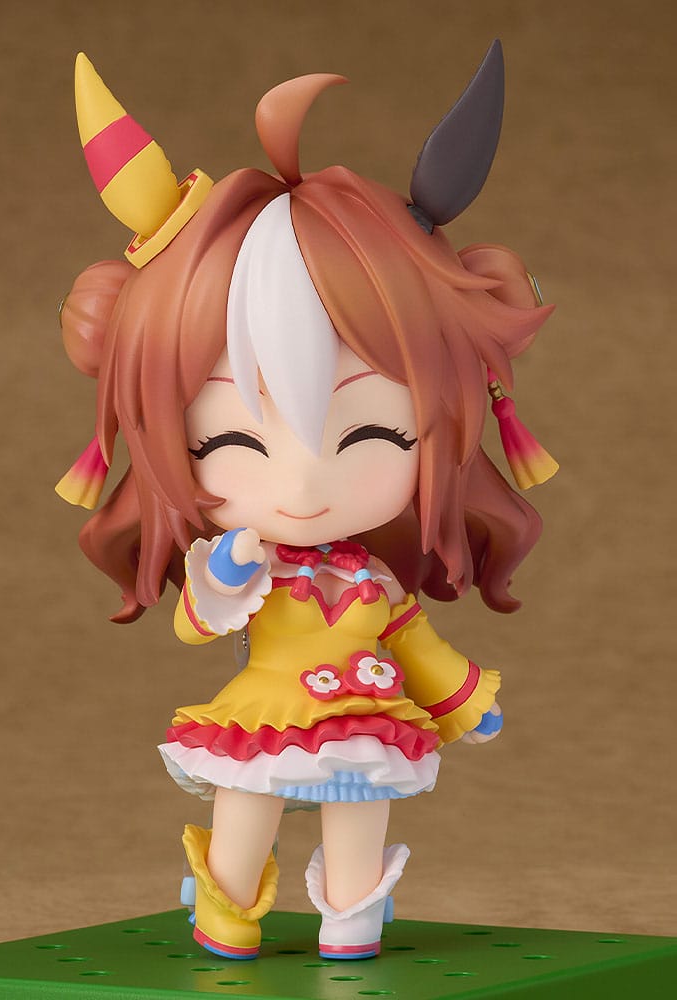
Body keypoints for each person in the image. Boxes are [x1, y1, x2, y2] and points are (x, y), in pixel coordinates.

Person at [57, 41, 556, 961]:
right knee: (246, 809)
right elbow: (198, 622)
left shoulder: (376, 585)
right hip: (261, 717)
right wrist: (226, 570)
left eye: (374, 436)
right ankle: (226, 911)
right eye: (232, 443)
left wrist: (461, 699)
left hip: (366, 722)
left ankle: (352, 921)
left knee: (359, 817)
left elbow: (419, 644)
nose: (299, 486)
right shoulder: (248, 565)